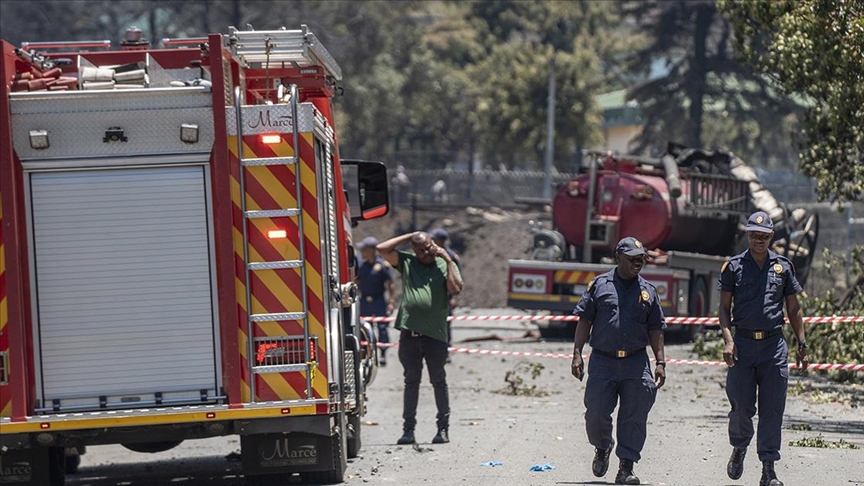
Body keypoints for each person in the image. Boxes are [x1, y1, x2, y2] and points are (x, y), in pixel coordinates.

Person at [718, 211, 808, 486]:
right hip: (742, 346)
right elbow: (723, 309)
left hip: (773, 347)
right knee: (742, 408)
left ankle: (768, 469)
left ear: (771, 237)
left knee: (772, 410)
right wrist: (728, 339)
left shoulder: (783, 267)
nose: (759, 240)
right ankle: (740, 447)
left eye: (764, 236)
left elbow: (793, 309)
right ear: (748, 235)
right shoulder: (733, 267)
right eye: (754, 235)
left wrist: (802, 343)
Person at [570, 236, 666, 485]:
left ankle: (626, 467)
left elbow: (656, 329)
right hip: (603, 361)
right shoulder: (599, 286)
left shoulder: (648, 292)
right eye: (632, 259)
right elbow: (585, 321)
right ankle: (602, 447)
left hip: (636, 362)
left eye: (641, 259)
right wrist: (577, 353)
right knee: (596, 412)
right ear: (618, 258)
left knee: (635, 415)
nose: (638, 263)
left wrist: (660, 362)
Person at [377, 231, 463, 445]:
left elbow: (455, 289)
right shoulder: (408, 262)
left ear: (434, 245)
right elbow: (382, 249)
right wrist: (410, 236)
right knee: (411, 382)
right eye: (420, 249)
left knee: (438, 381)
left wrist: (448, 259)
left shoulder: (444, 264)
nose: (425, 253)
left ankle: (443, 429)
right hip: (410, 335)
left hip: (435, 335)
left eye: (427, 248)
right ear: (414, 250)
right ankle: (408, 430)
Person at [356, 236, 395, 366]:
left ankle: (383, 354)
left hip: (379, 300)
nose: (362, 252)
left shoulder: (383, 266)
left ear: (372, 250)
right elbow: (357, 282)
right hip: (365, 301)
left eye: (364, 249)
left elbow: (390, 284)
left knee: (382, 328)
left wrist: (391, 301)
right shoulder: (361, 266)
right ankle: (367, 356)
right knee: (365, 329)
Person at [430, 228, 462, 356]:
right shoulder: (431, 255)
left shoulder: (452, 257)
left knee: (445, 324)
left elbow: (457, 278)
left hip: (445, 295)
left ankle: (446, 350)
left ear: (440, 241)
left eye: (435, 239)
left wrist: (454, 297)